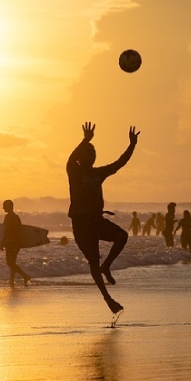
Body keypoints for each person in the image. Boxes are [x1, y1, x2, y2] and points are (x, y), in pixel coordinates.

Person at [67, 122, 139, 314]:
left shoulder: (98, 173)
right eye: (87, 153)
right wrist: (85, 140)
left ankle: (107, 266)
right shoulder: (74, 171)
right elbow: (70, 159)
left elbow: (119, 163)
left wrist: (132, 145)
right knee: (92, 262)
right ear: (81, 157)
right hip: (81, 223)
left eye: (93, 154)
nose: (91, 156)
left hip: (96, 221)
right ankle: (107, 298)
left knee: (122, 236)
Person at [1, 199, 31, 287]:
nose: (3, 208)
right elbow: (20, 231)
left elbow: (6, 231)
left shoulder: (8, 217)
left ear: (9, 207)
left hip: (10, 243)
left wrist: (2, 242)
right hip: (16, 243)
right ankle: (11, 281)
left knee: (10, 263)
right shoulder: (16, 217)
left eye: (4, 206)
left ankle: (25, 276)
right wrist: (19, 244)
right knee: (12, 263)